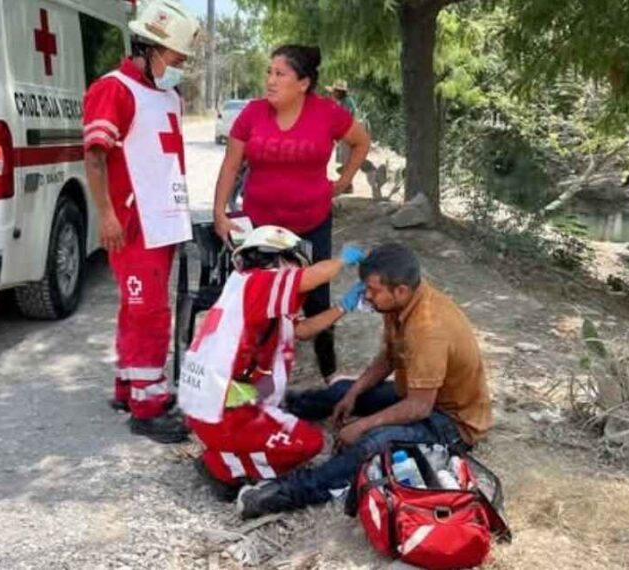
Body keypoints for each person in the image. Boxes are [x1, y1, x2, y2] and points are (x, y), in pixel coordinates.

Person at [235, 244, 494, 519]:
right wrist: (353, 394)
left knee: (372, 442)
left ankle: (286, 492)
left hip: (451, 421)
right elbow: (389, 358)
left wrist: (362, 425)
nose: (367, 297)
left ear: (400, 290)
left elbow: (418, 407)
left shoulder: (428, 330)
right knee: (341, 391)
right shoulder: (402, 302)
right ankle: (270, 408)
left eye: (373, 291)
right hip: (418, 395)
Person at [212, 45, 372, 383]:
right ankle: (244, 373)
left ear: (303, 83)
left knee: (316, 296)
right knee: (256, 301)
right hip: (259, 230)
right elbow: (230, 165)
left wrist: (342, 182)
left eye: (279, 74)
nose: (270, 80)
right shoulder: (252, 114)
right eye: (269, 72)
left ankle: (329, 372)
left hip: (311, 222)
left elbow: (361, 142)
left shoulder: (328, 113)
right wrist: (219, 213)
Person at [82, 0, 202, 444]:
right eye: (175, 55)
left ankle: (130, 384)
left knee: (140, 309)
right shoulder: (113, 89)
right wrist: (107, 215)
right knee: (148, 312)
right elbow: (94, 157)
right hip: (134, 224)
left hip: (162, 222)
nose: (180, 64)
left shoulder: (166, 93)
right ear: (149, 48)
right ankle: (147, 406)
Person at [179, 226, 368, 500]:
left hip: (212, 403)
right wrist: (342, 260)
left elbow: (300, 330)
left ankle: (229, 450)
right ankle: (221, 466)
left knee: (298, 417)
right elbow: (309, 279)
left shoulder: (245, 291)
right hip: (226, 411)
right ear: (280, 258)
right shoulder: (260, 282)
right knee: (308, 443)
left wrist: (343, 306)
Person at [328, 80, 356, 182]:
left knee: (346, 159)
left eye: (335, 91)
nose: (333, 94)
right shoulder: (345, 101)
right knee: (345, 159)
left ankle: (348, 184)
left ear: (340, 92)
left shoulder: (346, 102)